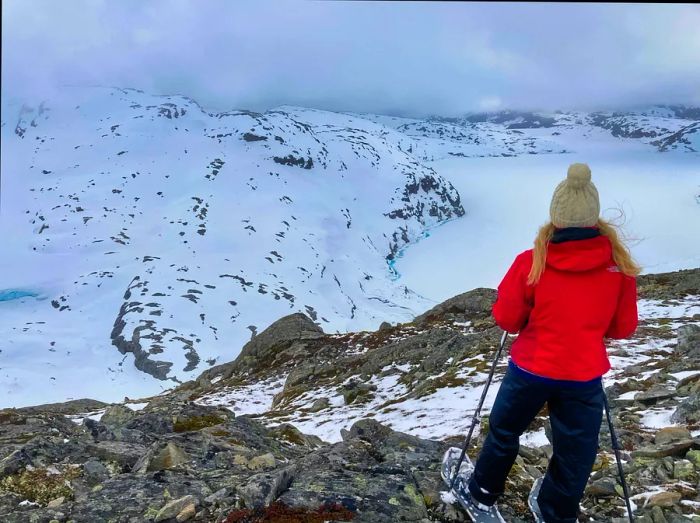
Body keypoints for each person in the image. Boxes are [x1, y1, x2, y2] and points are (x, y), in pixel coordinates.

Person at [465, 163, 640, 523]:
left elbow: (508, 319)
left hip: (531, 368)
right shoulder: (618, 270)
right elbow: (623, 328)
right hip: (583, 374)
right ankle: (555, 511)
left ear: (555, 216)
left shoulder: (531, 263)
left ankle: (482, 494)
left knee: (505, 431)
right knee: (576, 449)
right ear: (594, 219)